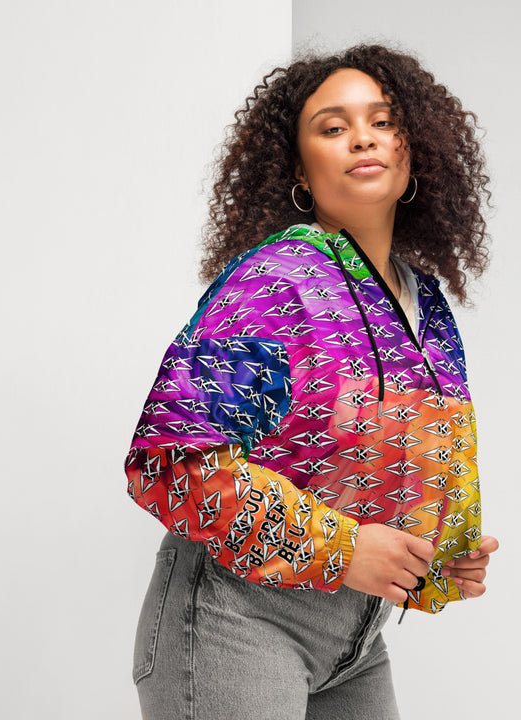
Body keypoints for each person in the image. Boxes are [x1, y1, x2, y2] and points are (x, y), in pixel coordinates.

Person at [125, 44, 499, 720]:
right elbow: (171, 462)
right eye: (332, 127)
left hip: (357, 639)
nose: (363, 137)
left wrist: (438, 560)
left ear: (414, 147)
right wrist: (343, 548)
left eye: (383, 121)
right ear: (299, 166)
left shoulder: (425, 302)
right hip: (237, 620)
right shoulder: (275, 282)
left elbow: (386, 460)